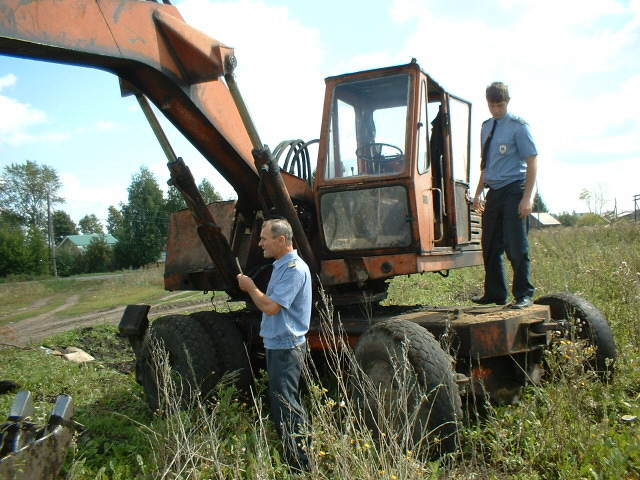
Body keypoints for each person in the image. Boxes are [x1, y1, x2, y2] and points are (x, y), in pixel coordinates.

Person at [236, 218, 312, 471]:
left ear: (281, 240)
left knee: (286, 404)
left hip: (286, 346)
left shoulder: (293, 269)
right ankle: (297, 458)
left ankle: (301, 465)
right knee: (284, 401)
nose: (259, 244)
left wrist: (250, 288)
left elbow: (270, 307)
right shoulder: (281, 265)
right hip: (278, 344)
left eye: (264, 238)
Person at [472, 82, 538, 309]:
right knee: (489, 244)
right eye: (491, 105)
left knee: (515, 245)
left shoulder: (519, 127)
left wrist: (527, 197)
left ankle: (524, 294)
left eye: (499, 105)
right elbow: (486, 165)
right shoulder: (486, 127)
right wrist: (479, 191)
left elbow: (532, 162)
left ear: (507, 102)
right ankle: (495, 294)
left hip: (514, 188)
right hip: (494, 191)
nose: (495, 109)